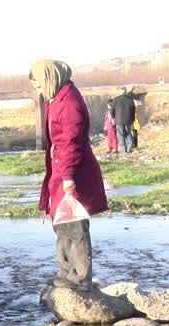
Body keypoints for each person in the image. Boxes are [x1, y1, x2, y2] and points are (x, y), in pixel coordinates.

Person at [29, 59, 108, 292]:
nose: (39, 91)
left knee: (75, 226)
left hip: (73, 173)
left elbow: (71, 143)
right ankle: (66, 273)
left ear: (50, 78)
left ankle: (80, 278)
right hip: (61, 170)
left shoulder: (69, 102)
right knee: (62, 224)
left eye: (39, 86)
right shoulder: (57, 99)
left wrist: (68, 176)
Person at [110, 87, 136, 153]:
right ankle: (129, 147)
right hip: (128, 119)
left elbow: (112, 110)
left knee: (120, 134)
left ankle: (123, 149)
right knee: (128, 132)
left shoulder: (116, 99)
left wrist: (114, 117)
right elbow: (133, 110)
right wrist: (132, 119)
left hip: (118, 120)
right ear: (125, 91)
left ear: (120, 91)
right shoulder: (130, 99)